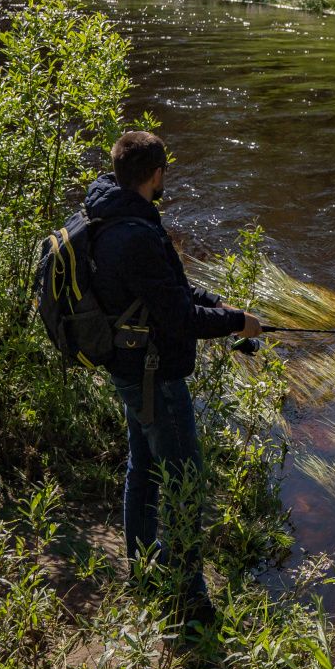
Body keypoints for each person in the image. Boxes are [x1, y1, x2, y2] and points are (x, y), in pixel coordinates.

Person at [85, 130, 261, 625]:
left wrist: (222, 306)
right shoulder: (136, 234)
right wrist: (235, 323)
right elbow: (178, 318)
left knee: (142, 468)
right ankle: (188, 595)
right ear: (156, 174)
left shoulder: (110, 214)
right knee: (184, 480)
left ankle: (144, 568)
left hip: (129, 367)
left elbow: (171, 292)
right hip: (154, 376)